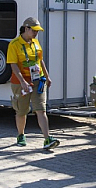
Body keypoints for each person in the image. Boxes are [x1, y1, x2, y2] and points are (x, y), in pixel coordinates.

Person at [6, 16, 59, 149]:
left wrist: (47, 76)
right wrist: (22, 81)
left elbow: (40, 61)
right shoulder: (14, 44)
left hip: (37, 81)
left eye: (37, 31)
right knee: (21, 111)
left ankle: (47, 138)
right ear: (26, 28)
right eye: (33, 30)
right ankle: (21, 135)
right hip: (21, 83)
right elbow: (13, 65)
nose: (36, 33)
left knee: (41, 109)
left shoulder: (35, 42)